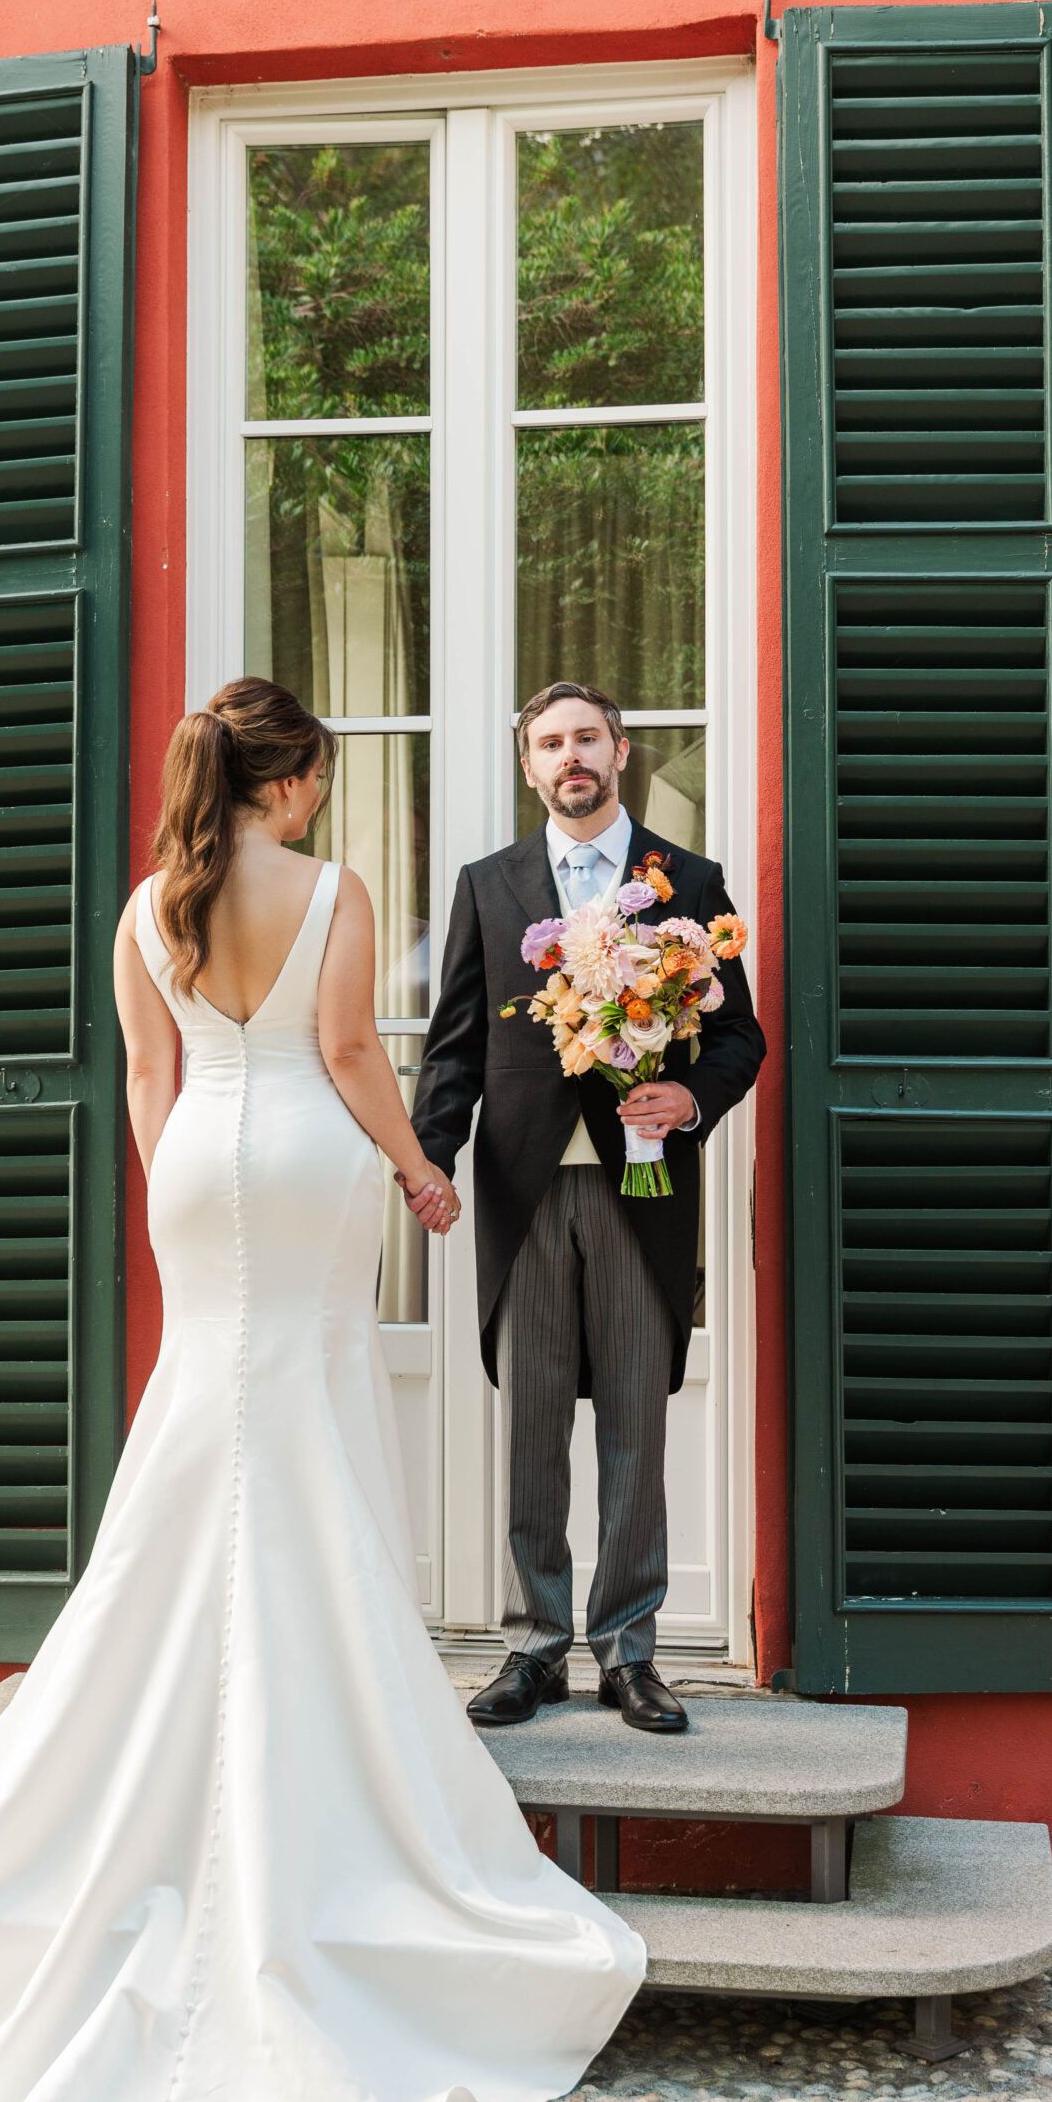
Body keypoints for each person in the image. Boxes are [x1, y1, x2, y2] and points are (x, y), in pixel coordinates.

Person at [0, 677, 644, 2102]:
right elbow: (349, 1054)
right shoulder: (326, 888)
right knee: (302, 1422)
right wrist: (416, 1175)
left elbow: (145, 1076)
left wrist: (182, 1173)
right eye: (312, 775)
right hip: (310, 1165)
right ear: (293, 777)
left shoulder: (147, 907)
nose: (317, 797)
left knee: (203, 1421)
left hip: (195, 1169)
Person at [409, 681, 765, 1737]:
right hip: (521, 1190)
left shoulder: (687, 881)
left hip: (639, 1184)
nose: (569, 757)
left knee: (632, 1425)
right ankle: (530, 1646)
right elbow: (456, 1047)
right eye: (548, 743)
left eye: (585, 739)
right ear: (528, 765)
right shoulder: (488, 884)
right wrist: (429, 1158)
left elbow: (737, 1036)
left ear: (619, 750)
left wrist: (690, 1095)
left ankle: (628, 1651)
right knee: (526, 1426)